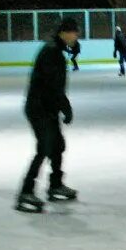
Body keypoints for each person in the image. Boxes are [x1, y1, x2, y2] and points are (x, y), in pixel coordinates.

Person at [17, 17, 79, 212]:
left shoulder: (55, 49)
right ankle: (25, 192)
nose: (76, 36)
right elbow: (54, 87)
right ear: (64, 33)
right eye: (74, 32)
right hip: (39, 108)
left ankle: (55, 185)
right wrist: (66, 108)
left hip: (47, 107)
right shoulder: (52, 52)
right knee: (44, 148)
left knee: (57, 145)